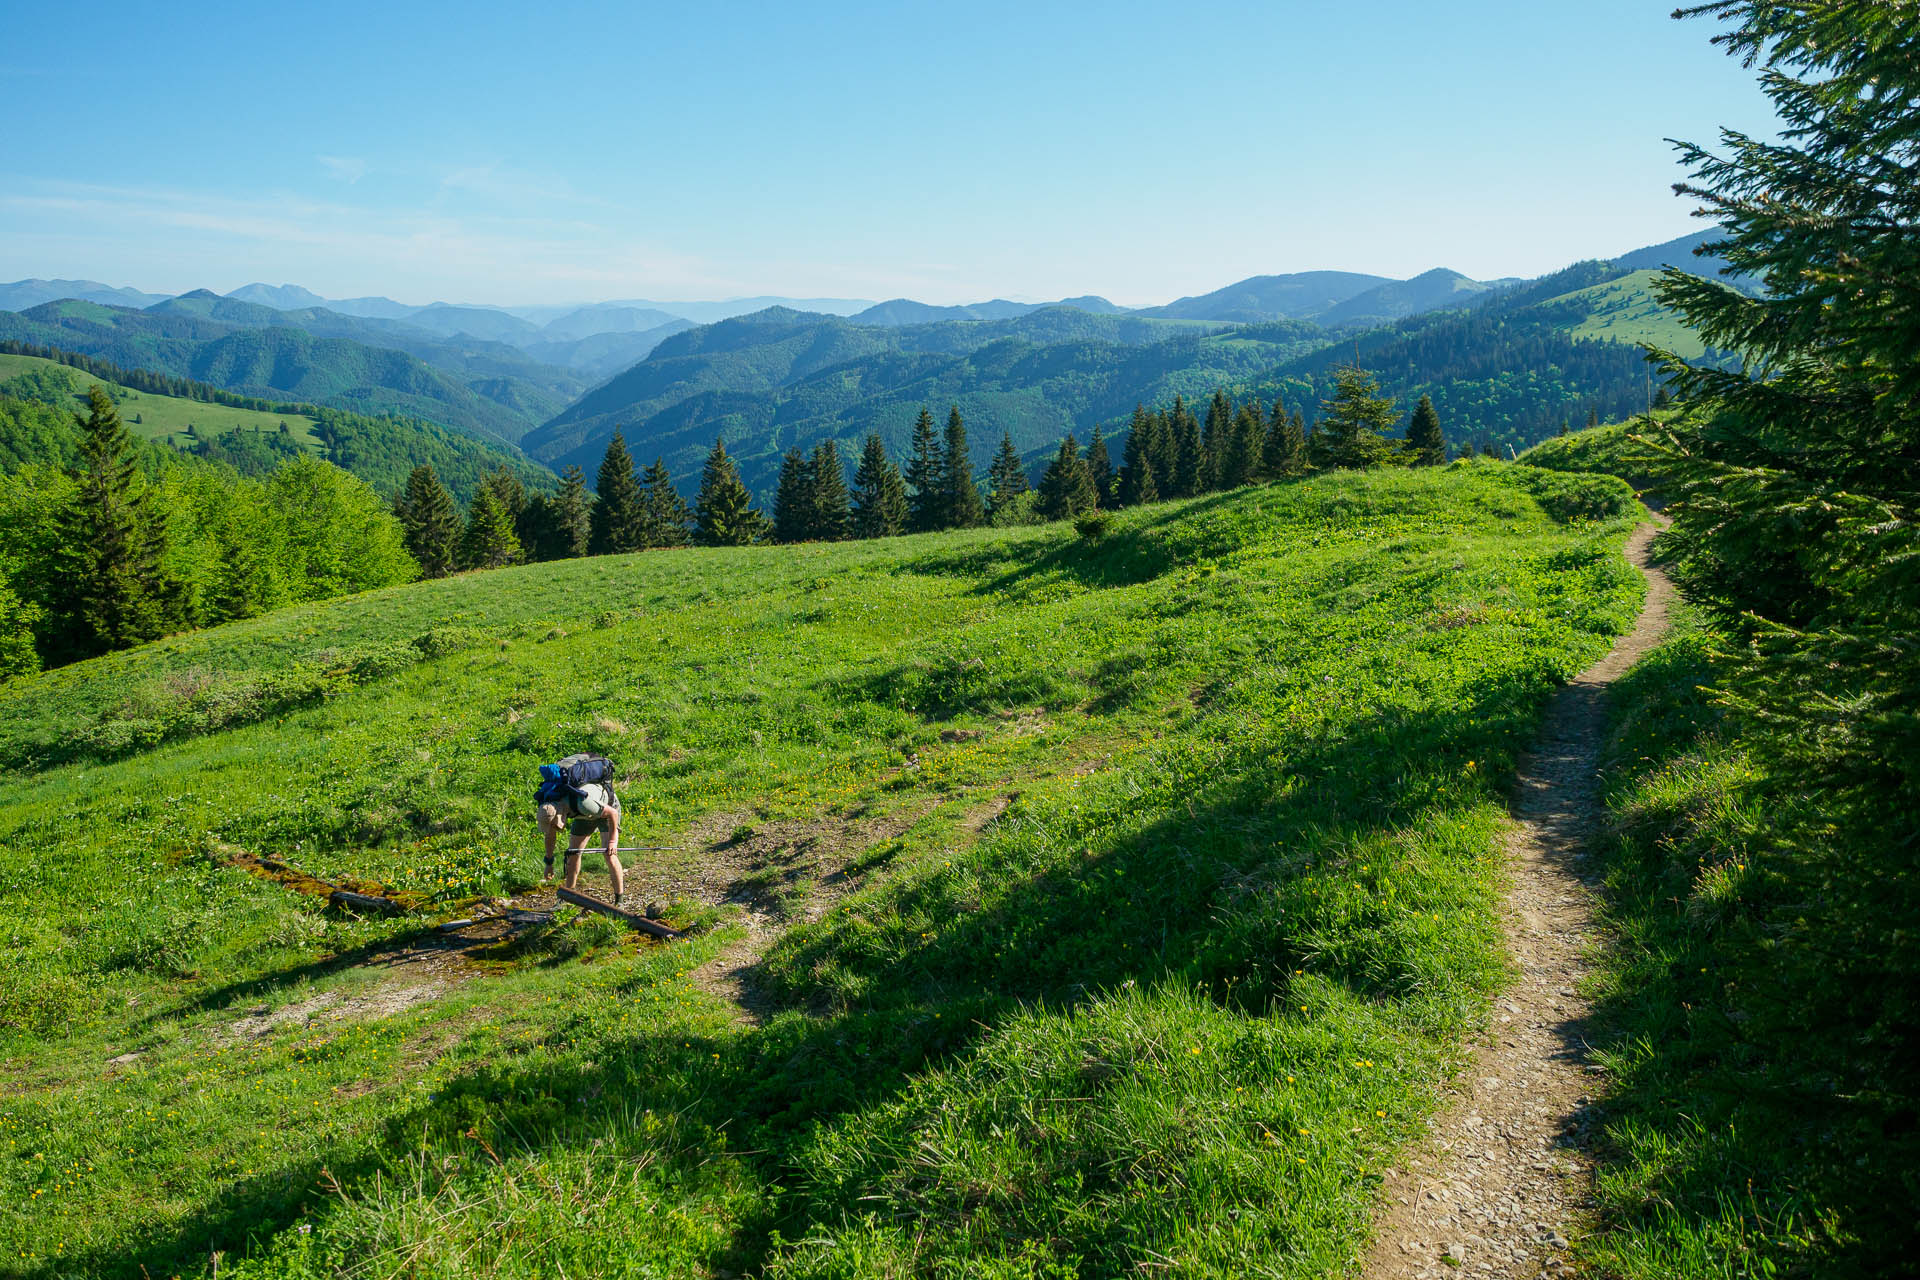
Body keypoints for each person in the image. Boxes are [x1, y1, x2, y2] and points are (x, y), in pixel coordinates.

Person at [536, 777, 629, 907]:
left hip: (606, 807)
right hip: (583, 814)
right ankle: (568, 897)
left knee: (609, 855)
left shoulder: (583, 804)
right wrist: (549, 863)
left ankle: (619, 900)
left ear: (560, 815)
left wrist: (613, 841)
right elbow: (550, 837)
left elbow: (612, 813)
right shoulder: (550, 806)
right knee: (573, 854)